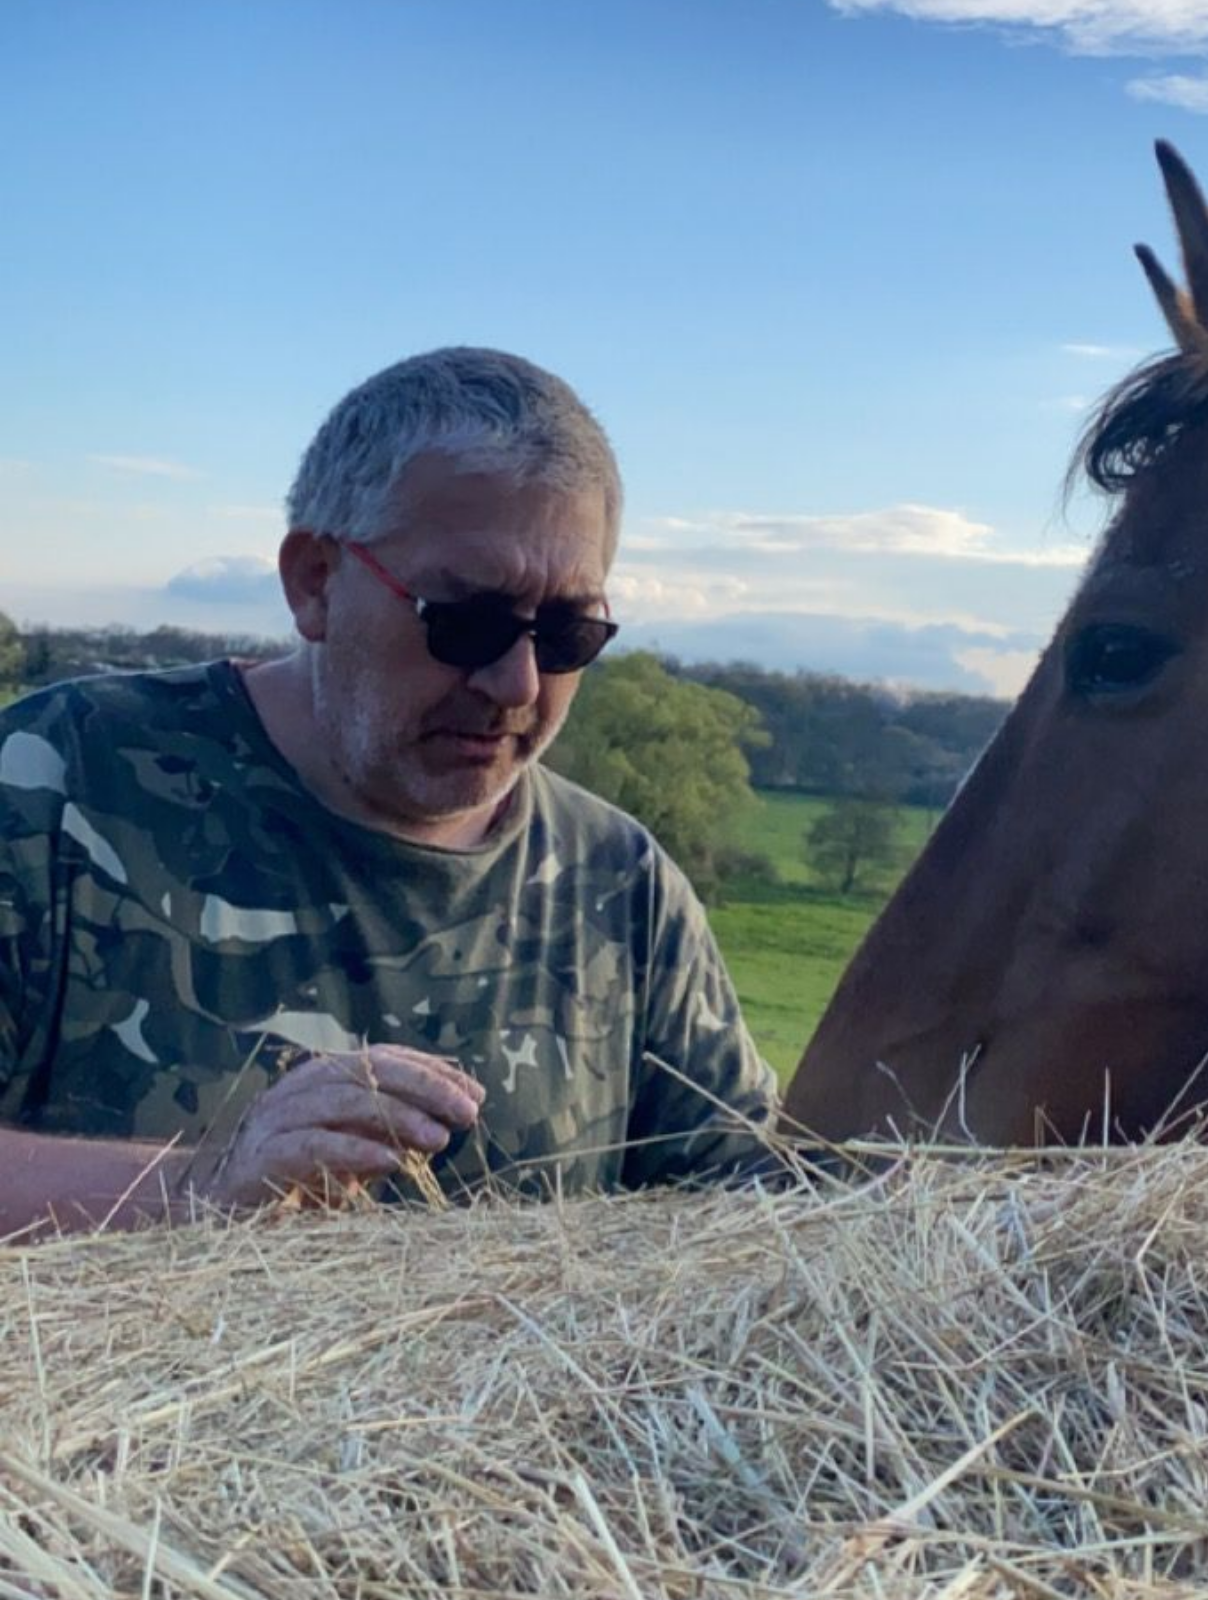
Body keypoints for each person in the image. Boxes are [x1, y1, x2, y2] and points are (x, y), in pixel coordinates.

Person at [0, 347, 783, 1239]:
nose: (518, 682)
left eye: (568, 632)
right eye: (466, 620)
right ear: (315, 583)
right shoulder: (52, 780)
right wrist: (198, 1188)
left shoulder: (624, 884)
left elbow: (754, 1217)